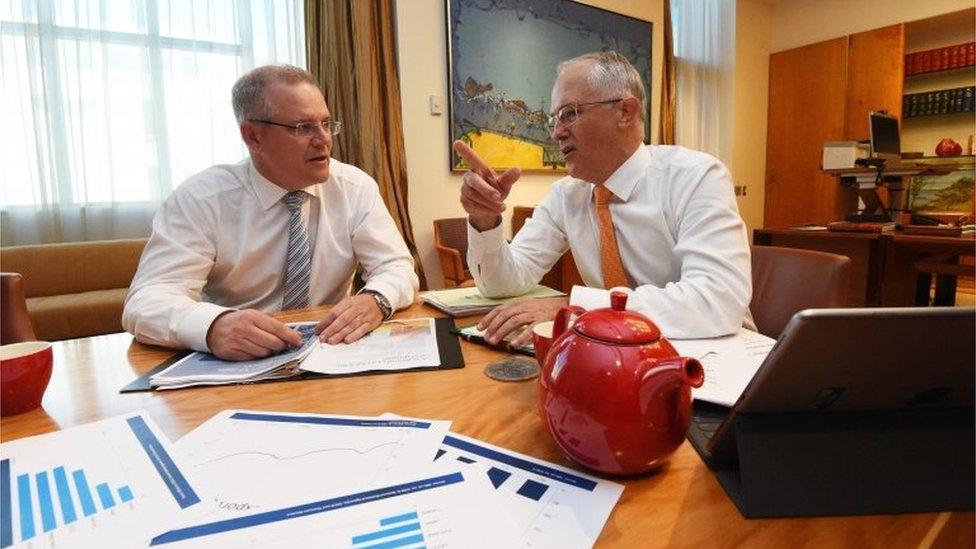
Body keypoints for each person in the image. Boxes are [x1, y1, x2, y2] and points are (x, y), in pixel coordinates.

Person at [456, 51, 753, 347]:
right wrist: (485, 220)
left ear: (625, 111)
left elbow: (717, 300)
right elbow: (502, 285)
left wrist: (579, 307)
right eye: (554, 119)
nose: (557, 133)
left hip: (717, 359)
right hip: (617, 358)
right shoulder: (566, 194)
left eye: (569, 114)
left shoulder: (696, 177)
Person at [123, 64, 418, 360]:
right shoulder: (202, 199)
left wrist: (376, 299)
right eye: (303, 128)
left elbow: (396, 266)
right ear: (253, 137)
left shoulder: (354, 187)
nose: (324, 140)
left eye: (327, 124)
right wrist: (213, 327)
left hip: (332, 351)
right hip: (238, 360)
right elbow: (147, 301)